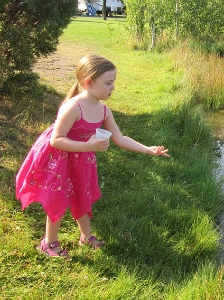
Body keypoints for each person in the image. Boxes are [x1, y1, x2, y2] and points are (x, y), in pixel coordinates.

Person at [16, 54, 169, 259]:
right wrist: (88, 145)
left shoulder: (104, 110)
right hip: (60, 159)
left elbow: (120, 138)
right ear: (88, 82)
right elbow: (56, 140)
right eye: (108, 83)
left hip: (82, 160)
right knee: (59, 198)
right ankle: (49, 242)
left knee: (82, 194)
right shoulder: (73, 107)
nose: (112, 87)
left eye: (113, 82)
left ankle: (85, 236)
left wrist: (147, 149)